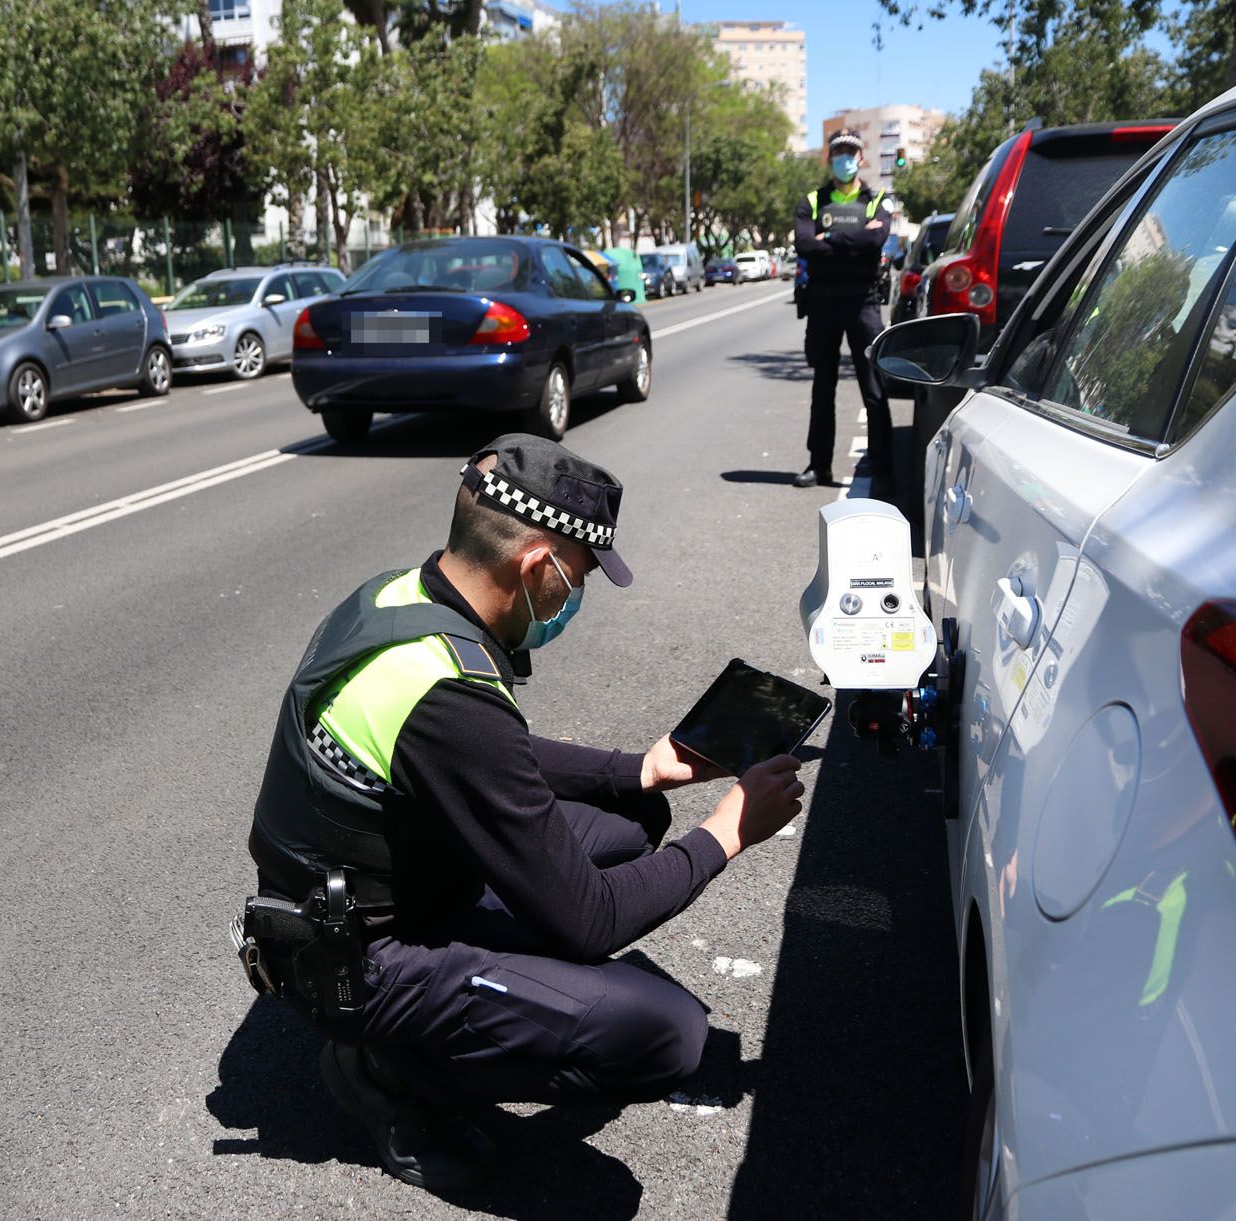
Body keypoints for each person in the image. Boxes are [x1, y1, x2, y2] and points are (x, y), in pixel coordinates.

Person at [240, 434, 807, 1194]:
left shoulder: (399, 598)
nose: (575, 597)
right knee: (665, 1033)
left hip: (371, 885)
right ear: (537, 566)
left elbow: (490, 754)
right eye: (577, 578)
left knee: (633, 817)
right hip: (358, 959)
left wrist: (638, 770)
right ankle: (393, 1072)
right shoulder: (449, 697)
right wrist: (727, 832)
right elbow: (591, 920)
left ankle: (479, 994)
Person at [792, 129, 898, 498]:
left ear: (861, 158)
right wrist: (850, 242)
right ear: (830, 158)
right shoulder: (813, 200)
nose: (845, 158)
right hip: (823, 303)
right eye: (839, 152)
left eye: (851, 152)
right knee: (823, 388)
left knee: (874, 389)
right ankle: (818, 464)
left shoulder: (877, 199)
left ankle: (883, 467)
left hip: (864, 303)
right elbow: (803, 244)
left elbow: (876, 239)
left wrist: (830, 240)